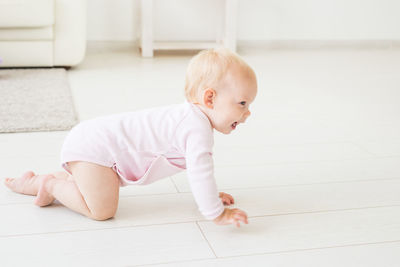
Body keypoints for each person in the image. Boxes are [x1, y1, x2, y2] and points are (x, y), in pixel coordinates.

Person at [4, 48, 257, 227]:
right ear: (209, 98)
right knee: (102, 210)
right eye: (242, 103)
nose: (247, 113)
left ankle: (31, 183)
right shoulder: (196, 128)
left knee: (85, 184)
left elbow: (199, 174)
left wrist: (210, 195)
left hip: (93, 143)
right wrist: (216, 213)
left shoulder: (189, 119)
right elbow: (201, 173)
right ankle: (51, 186)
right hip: (96, 149)